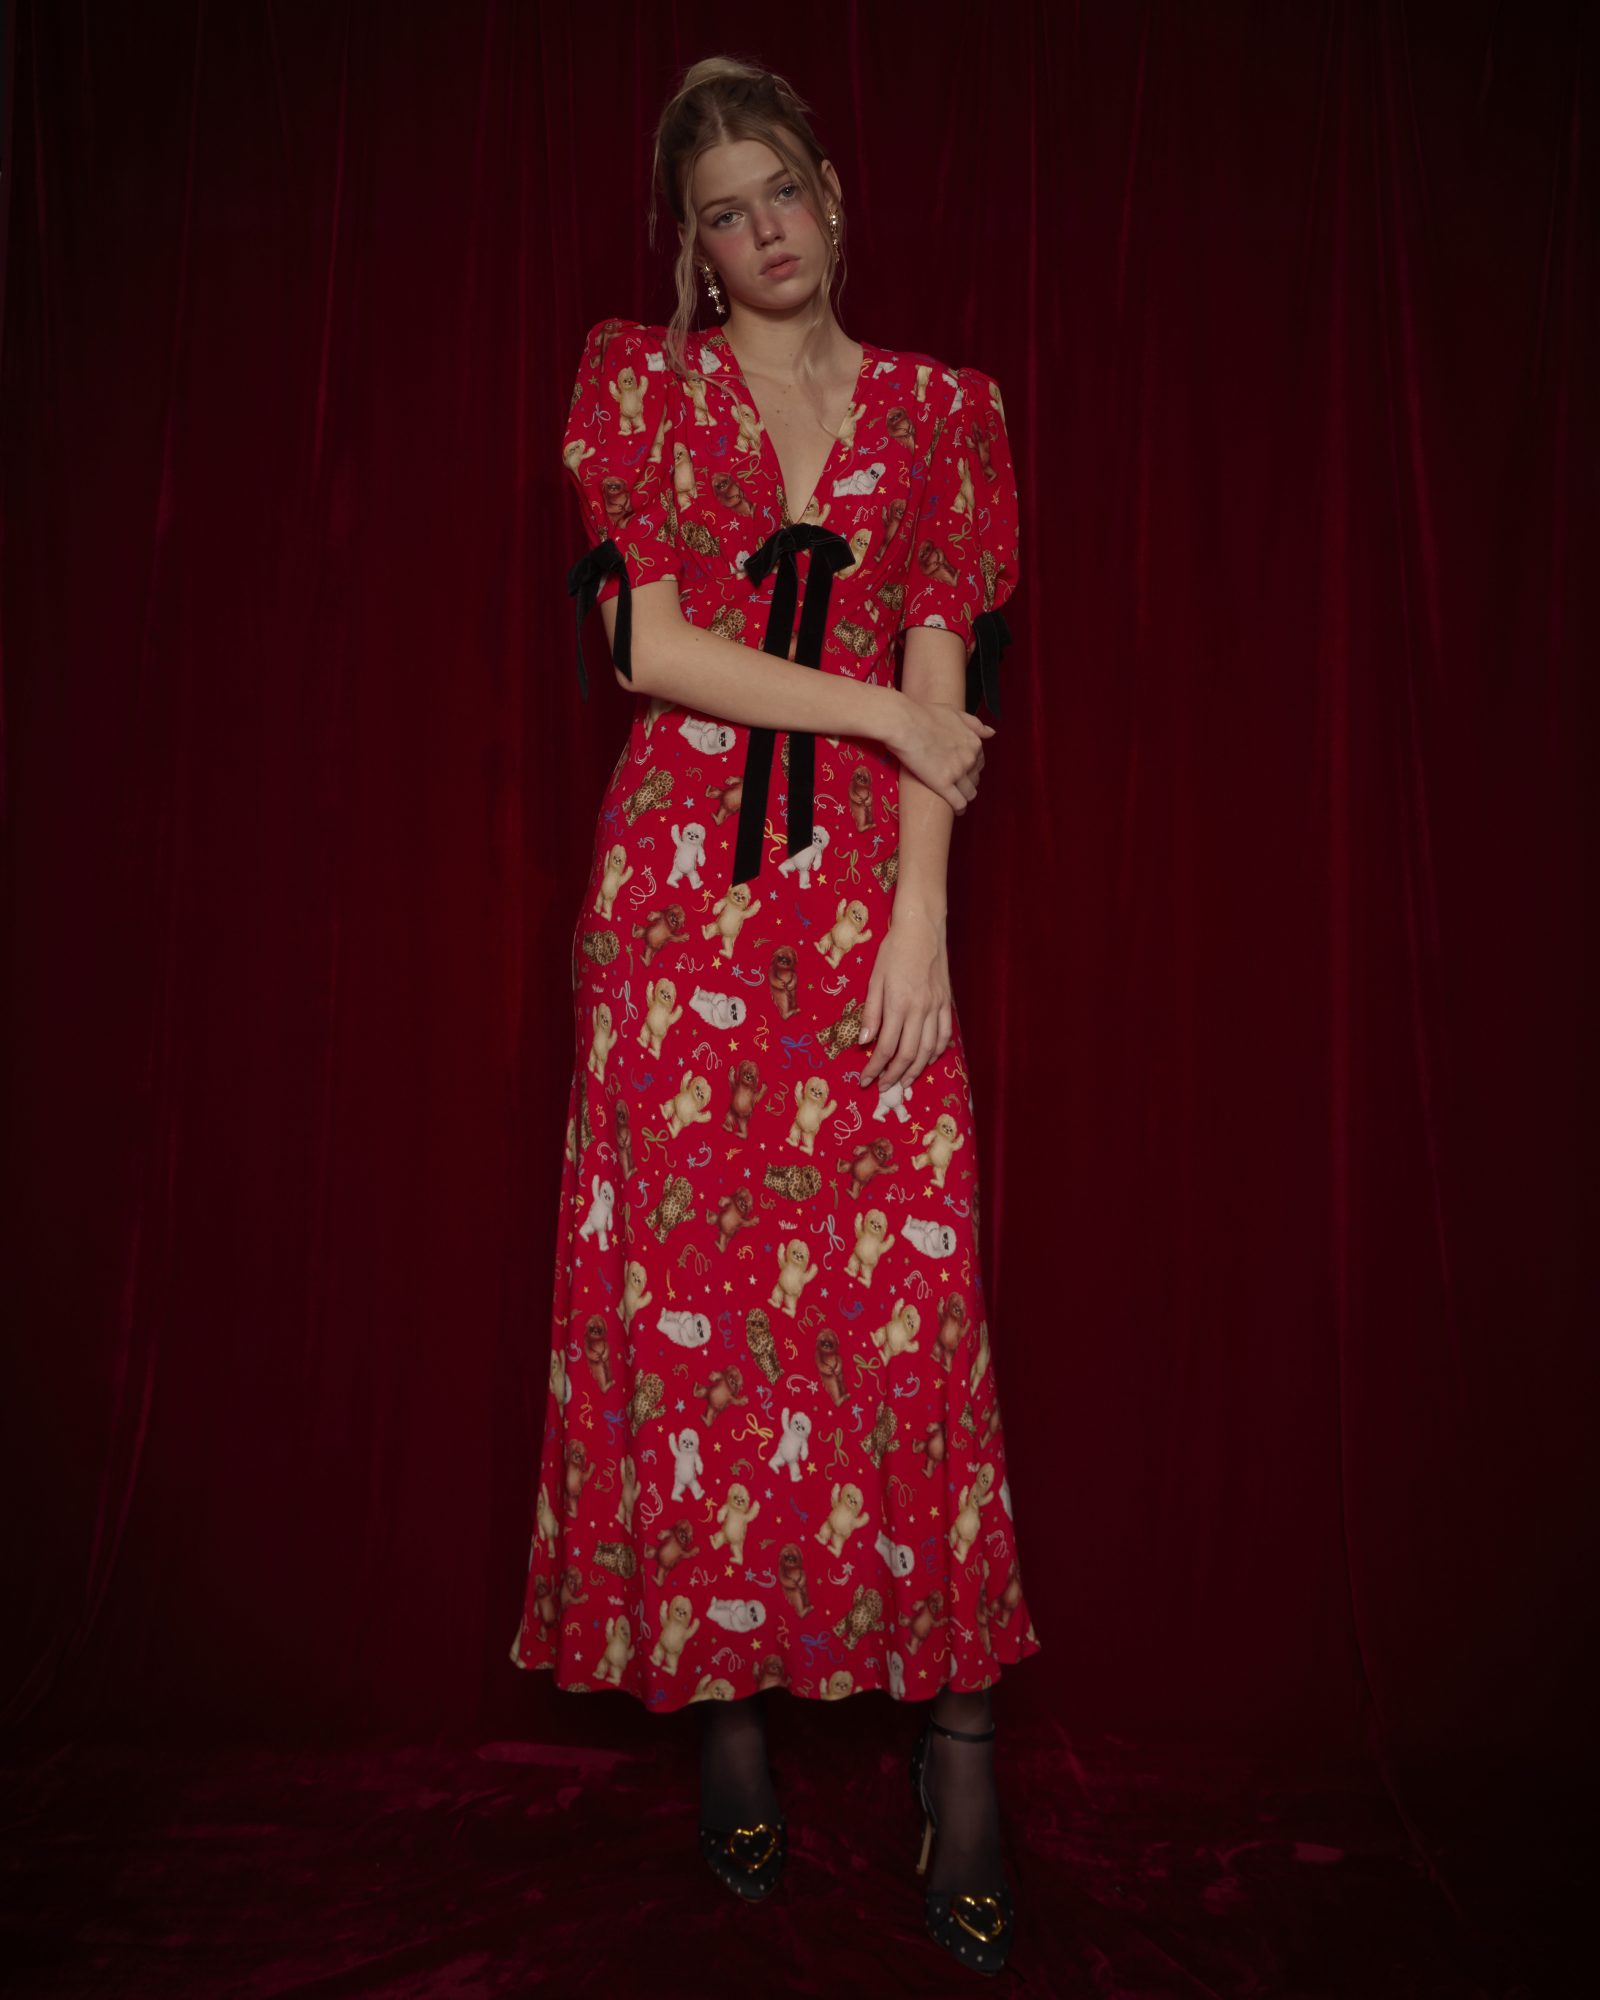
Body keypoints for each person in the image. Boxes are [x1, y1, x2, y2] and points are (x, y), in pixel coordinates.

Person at [510, 54, 1042, 1976]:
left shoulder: (946, 412)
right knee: (699, 1321)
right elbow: (645, 645)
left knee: (909, 1315)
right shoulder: (636, 385)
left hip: (861, 913)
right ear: (692, 249)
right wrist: (889, 710)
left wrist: (923, 922)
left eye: (781, 192)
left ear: (831, 192)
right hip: (679, 914)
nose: (764, 232)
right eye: (722, 214)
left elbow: (940, 675)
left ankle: (957, 1752)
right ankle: (722, 1715)